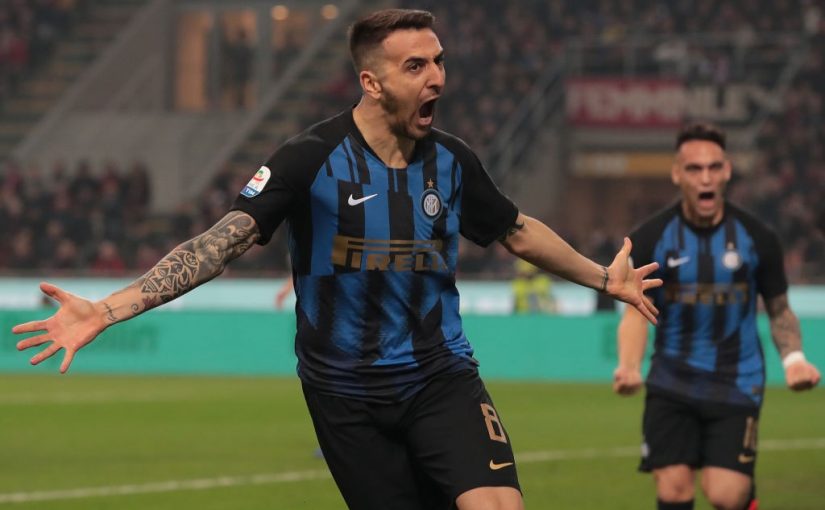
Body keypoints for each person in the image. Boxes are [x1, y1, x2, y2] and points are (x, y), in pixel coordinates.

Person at [13, 9, 662, 510]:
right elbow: (217, 245)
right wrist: (108, 309)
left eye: (438, 61)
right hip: (345, 396)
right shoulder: (309, 159)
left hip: (440, 377)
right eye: (416, 66)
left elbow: (515, 230)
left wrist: (604, 277)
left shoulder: (452, 161)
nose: (436, 77)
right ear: (371, 82)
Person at [612, 122, 821, 510]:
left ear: (727, 171)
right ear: (677, 174)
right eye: (694, 169)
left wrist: (794, 359)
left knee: (727, 494)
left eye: (713, 167)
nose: (705, 177)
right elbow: (636, 313)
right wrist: (629, 367)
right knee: (673, 489)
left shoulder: (758, 238)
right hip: (671, 380)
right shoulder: (651, 238)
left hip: (737, 380)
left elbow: (779, 308)